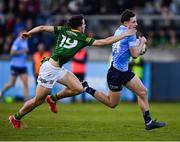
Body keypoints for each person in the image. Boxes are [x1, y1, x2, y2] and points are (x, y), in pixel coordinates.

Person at [8, 15, 135, 129]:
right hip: (49, 70)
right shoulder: (82, 39)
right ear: (79, 26)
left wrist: (29, 33)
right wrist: (125, 34)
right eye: (84, 24)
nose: (85, 26)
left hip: (58, 68)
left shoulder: (63, 30)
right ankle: (16, 117)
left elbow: (41, 27)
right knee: (37, 101)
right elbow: (104, 41)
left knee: (79, 88)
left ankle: (52, 99)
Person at [46, 10, 166, 131]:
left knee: (143, 92)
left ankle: (148, 122)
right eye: (133, 21)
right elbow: (134, 55)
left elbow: (128, 49)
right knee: (112, 104)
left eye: (136, 21)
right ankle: (87, 88)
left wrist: (138, 46)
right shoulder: (130, 33)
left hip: (123, 71)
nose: (136, 24)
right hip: (116, 73)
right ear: (126, 22)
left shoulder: (119, 30)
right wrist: (142, 43)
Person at [0, 31, 29, 101]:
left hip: (23, 66)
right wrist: (23, 51)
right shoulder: (17, 41)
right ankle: (1, 93)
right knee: (12, 83)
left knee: (25, 83)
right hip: (15, 65)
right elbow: (12, 52)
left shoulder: (25, 41)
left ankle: (26, 100)